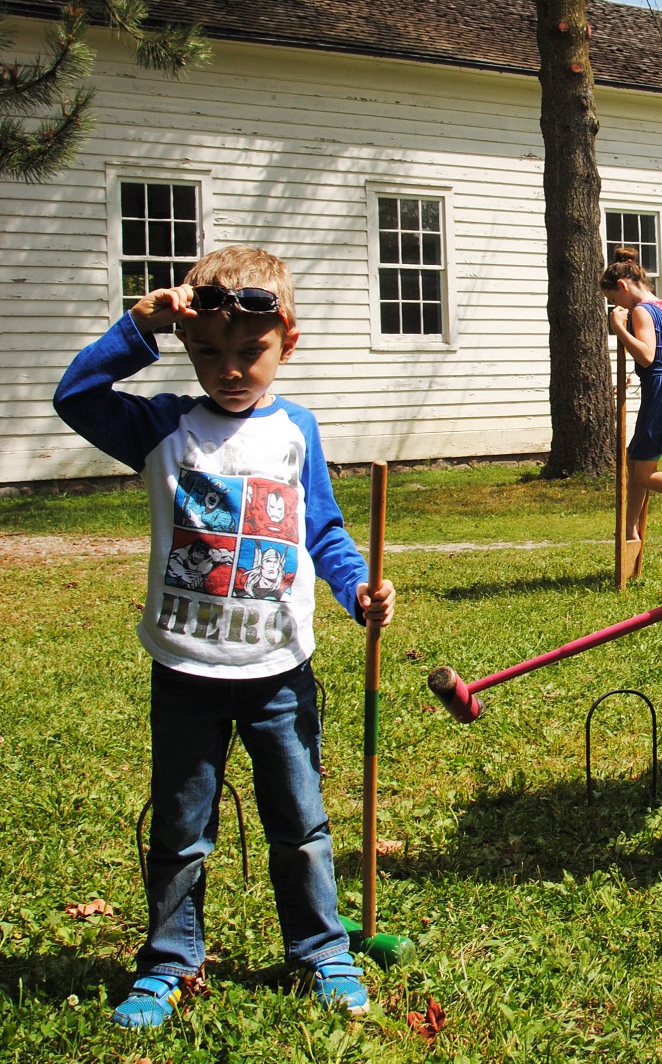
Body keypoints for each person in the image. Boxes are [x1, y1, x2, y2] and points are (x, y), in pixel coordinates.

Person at [53, 245, 396, 1027]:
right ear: (186, 346)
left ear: (288, 341)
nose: (230, 369)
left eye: (251, 351)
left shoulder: (296, 429)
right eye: (208, 352)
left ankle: (321, 950)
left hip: (279, 671)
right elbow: (76, 395)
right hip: (185, 670)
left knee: (301, 823)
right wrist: (139, 325)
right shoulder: (161, 425)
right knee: (181, 827)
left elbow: (326, 532)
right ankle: (170, 958)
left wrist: (357, 588)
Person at [600, 247, 662, 541]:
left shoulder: (641, 310)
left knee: (643, 474)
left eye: (614, 299)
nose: (617, 305)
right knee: (636, 460)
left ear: (623, 286)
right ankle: (629, 529)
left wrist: (619, 329)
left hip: (660, 393)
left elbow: (647, 356)